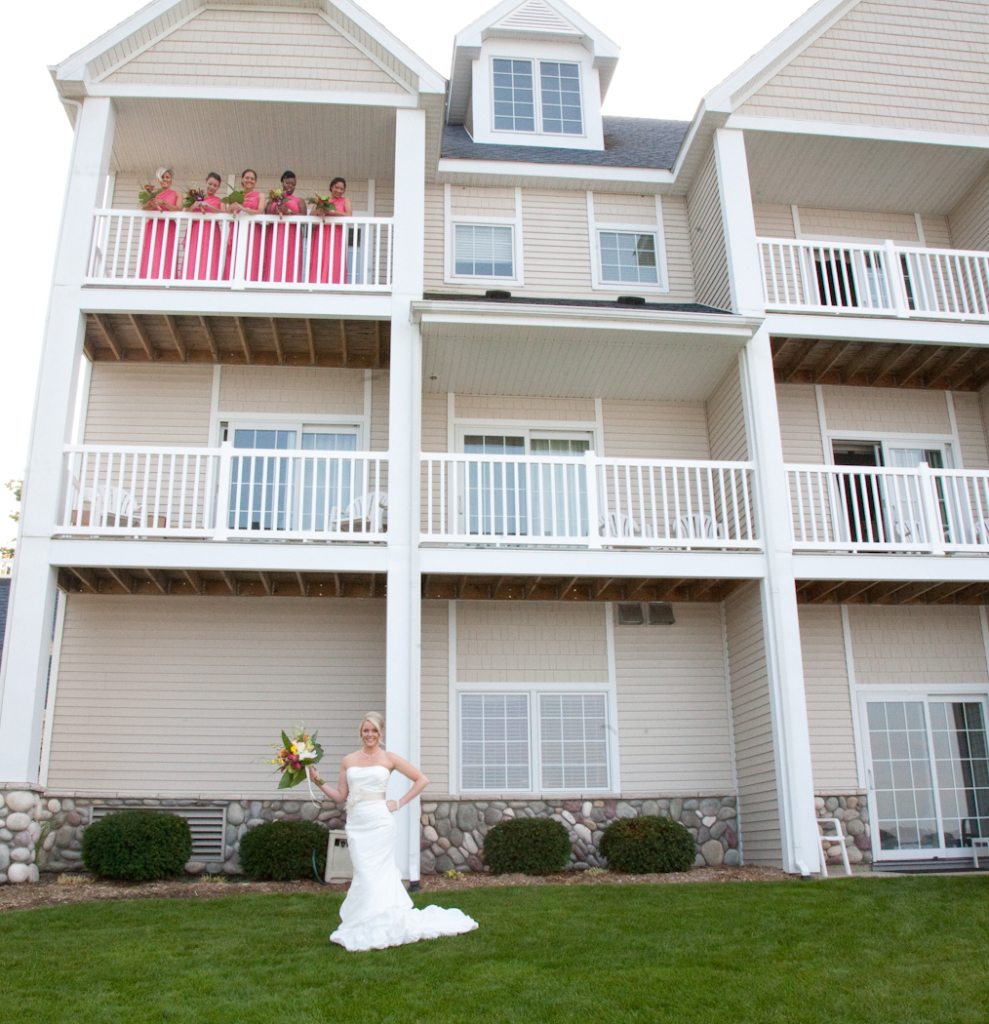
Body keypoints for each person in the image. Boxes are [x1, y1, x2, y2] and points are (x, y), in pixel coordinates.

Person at [309, 712, 478, 951]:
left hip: (380, 823)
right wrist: (318, 781)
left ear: (381, 733)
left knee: (378, 873)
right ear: (361, 732)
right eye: (366, 730)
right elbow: (340, 796)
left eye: (374, 731)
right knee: (363, 873)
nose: (370, 735)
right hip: (357, 824)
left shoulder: (389, 758)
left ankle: (381, 924)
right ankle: (365, 922)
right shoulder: (349, 760)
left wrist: (398, 803)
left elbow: (422, 779)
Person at [138, 168, 182, 279]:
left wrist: (163, 202)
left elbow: (179, 210)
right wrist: (151, 204)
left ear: (171, 179)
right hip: (154, 226)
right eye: (162, 177)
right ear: (159, 178)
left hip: (169, 228)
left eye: (167, 177)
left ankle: (166, 278)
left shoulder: (177, 194)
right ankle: (149, 278)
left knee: (167, 253)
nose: (165, 179)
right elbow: (144, 208)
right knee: (152, 252)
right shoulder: (153, 192)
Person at [264, 170, 307, 282]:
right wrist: (276, 210)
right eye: (288, 183)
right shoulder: (273, 199)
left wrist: (288, 211)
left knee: (291, 257)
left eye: (293, 184)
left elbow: (304, 218)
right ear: (282, 182)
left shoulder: (299, 200)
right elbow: (266, 216)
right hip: (275, 233)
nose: (290, 186)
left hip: (292, 234)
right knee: (274, 256)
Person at [309, 177, 351, 285]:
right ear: (331, 187)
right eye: (336, 187)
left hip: (336, 233)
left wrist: (332, 211)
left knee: (335, 258)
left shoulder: (345, 200)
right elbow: (311, 216)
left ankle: (335, 284)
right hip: (322, 232)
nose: (339, 190)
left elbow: (349, 215)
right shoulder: (322, 200)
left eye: (341, 189)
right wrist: (319, 210)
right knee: (320, 257)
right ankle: (317, 283)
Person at [223, 168, 263, 281]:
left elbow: (260, 211)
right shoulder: (235, 195)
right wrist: (230, 208)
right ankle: (232, 279)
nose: (249, 180)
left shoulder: (259, 195)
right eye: (247, 178)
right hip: (237, 229)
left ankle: (251, 280)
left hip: (253, 231)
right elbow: (228, 212)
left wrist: (244, 209)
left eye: (252, 179)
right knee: (235, 255)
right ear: (242, 179)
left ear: (255, 181)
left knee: (251, 255)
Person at [183, 172, 225, 281]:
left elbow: (224, 214)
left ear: (218, 187)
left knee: (209, 255)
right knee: (193, 254)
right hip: (196, 229)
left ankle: (209, 279)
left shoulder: (220, 200)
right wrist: (193, 206)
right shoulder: (196, 197)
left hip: (211, 231)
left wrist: (209, 206)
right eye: (210, 184)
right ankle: (190, 279)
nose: (212, 187)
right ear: (206, 182)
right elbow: (186, 213)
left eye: (215, 185)